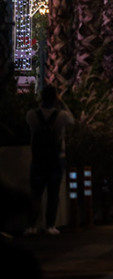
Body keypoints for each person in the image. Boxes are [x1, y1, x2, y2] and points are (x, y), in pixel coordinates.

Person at [25, 85, 75, 236]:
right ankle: (50, 225)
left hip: (38, 159)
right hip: (56, 159)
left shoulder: (32, 115)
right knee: (53, 193)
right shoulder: (62, 116)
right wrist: (61, 102)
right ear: (55, 98)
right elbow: (72, 119)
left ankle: (32, 226)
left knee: (35, 193)